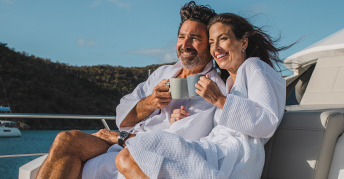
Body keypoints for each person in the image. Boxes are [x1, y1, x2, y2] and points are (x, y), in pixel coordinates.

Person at [36, 2, 225, 179]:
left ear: (209, 45)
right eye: (182, 37)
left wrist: (117, 136)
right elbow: (122, 117)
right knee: (66, 139)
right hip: (120, 143)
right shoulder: (163, 73)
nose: (185, 44)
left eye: (195, 38)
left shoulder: (210, 90)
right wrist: (150, 102)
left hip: (138, 154)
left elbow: (177, 148)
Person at [114, 13, 289, 179]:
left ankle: (119, 140)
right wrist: (177, 121)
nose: (216, 48)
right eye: (212, 42)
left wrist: (219, 100)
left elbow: (268, 122)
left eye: (223, 38)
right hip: (214, 151)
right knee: (128, 158)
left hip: (233, 157)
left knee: (130, 157)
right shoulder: (231, 83)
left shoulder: (254, 67)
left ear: (243, 42)